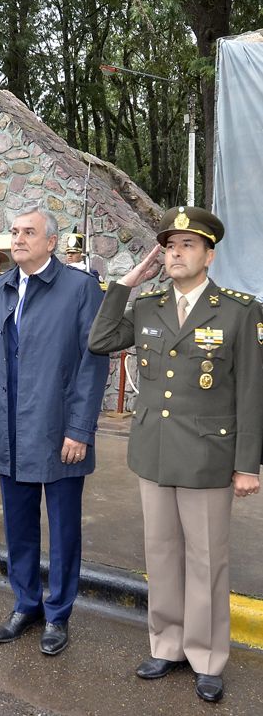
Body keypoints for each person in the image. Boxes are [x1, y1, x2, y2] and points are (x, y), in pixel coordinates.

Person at [88, 206, 263, 703]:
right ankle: (166, 645)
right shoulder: (149, 305)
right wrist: (127, 282)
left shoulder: (240, 310)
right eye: (169, 246)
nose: (175, 253)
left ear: (209, 254)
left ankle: (207, 656)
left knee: (208, 559)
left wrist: (248, 464)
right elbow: (99, 340)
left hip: (210, 455)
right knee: (161, 556)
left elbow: (252, 392)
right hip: (155, 453)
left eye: (187, 245)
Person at [0, 207, 109, 655]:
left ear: (51, 242)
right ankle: (26, 602)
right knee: (18, 524)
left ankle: (58, 613)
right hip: (8, 429)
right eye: (14, 231)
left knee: (64, 528)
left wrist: (80, 428)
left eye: (29, 232)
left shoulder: (80, 288)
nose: (18, 238)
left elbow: (93, 364)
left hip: (59, 429)